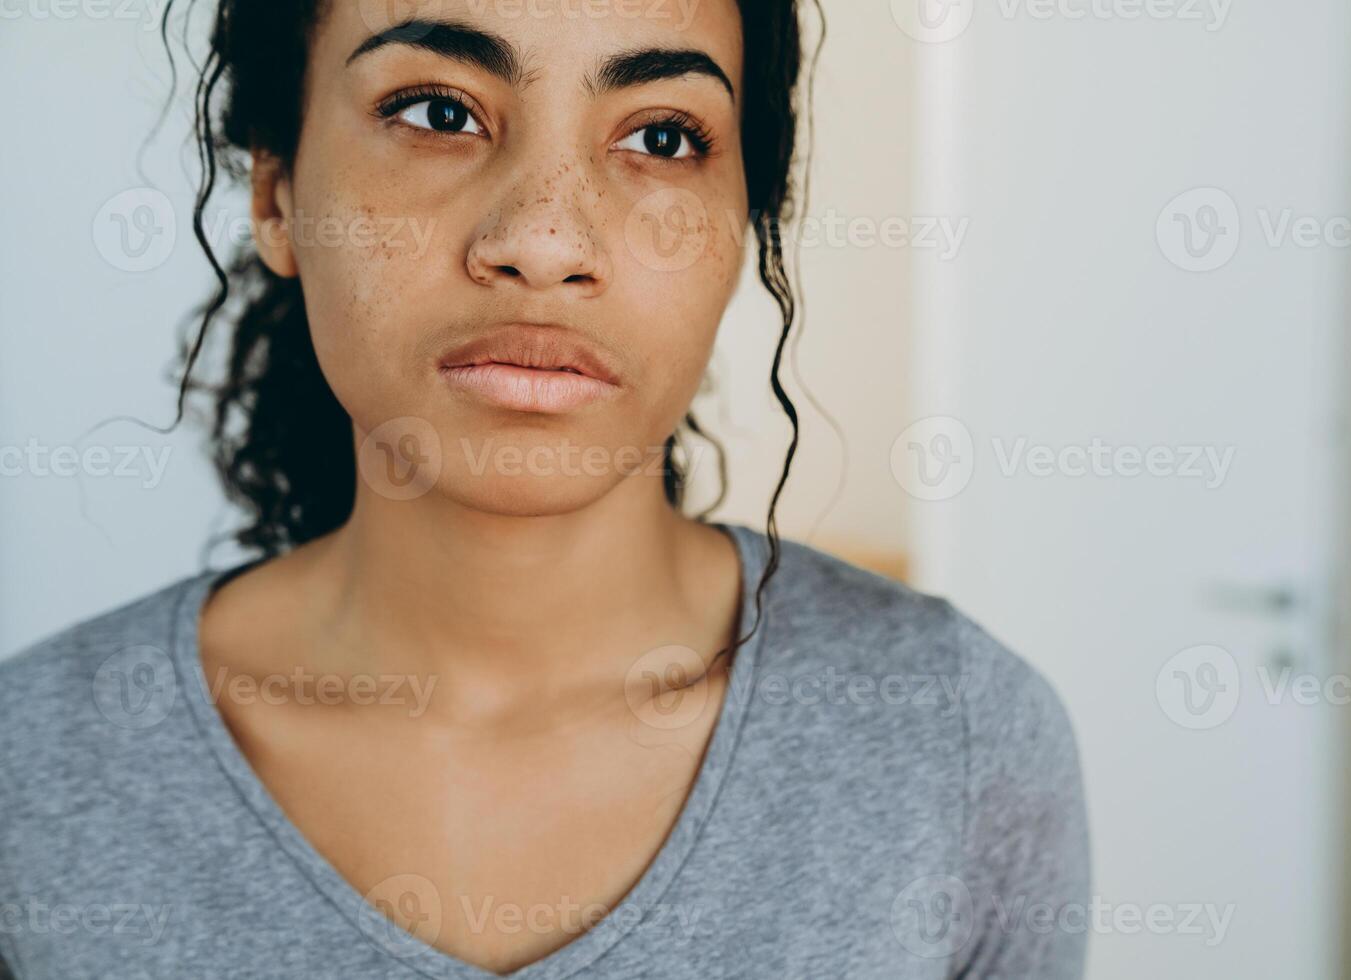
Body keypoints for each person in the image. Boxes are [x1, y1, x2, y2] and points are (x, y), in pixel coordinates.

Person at [0, 1, 1090, 976]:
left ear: (745, 220)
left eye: (661, 137)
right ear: (279, 193)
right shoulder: (34, 765)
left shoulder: (955, 738)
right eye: (437, 111)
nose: (544, 240)